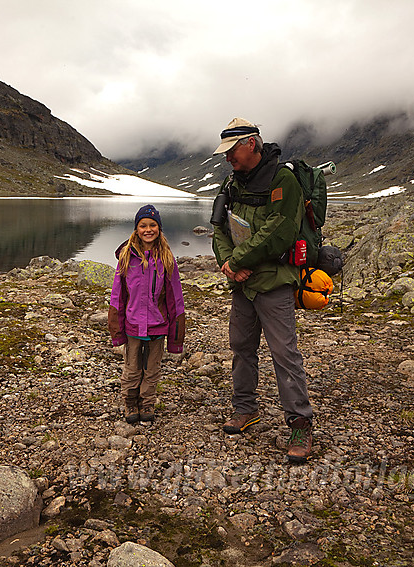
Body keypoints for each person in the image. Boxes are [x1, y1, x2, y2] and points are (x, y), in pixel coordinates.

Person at [210, 117, 315, 463]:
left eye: (232, 151)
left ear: (250, 143)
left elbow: (279, 231)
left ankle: (300, 423)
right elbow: (219, 230)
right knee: (241, 346)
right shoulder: (231, 182)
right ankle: (245, 409)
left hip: (273, 282)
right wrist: (229, 263)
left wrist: (238, 260)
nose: (227, 158)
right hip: (242, 284)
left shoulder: (282, 179)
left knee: (284, 353)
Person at [108, 204, 186, 424]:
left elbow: (175, 298)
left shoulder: (167, 259)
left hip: (157, 325)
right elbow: (118, 296)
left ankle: (147, 403)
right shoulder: (126, 257)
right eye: (143, 225)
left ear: (159, 229)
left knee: (151, 370)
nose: (148, 229)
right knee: (132, 369)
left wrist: (176, 334)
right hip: (133, 324)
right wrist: (116, 328)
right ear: (136, 229)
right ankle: (130, 403)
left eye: (153, 225)